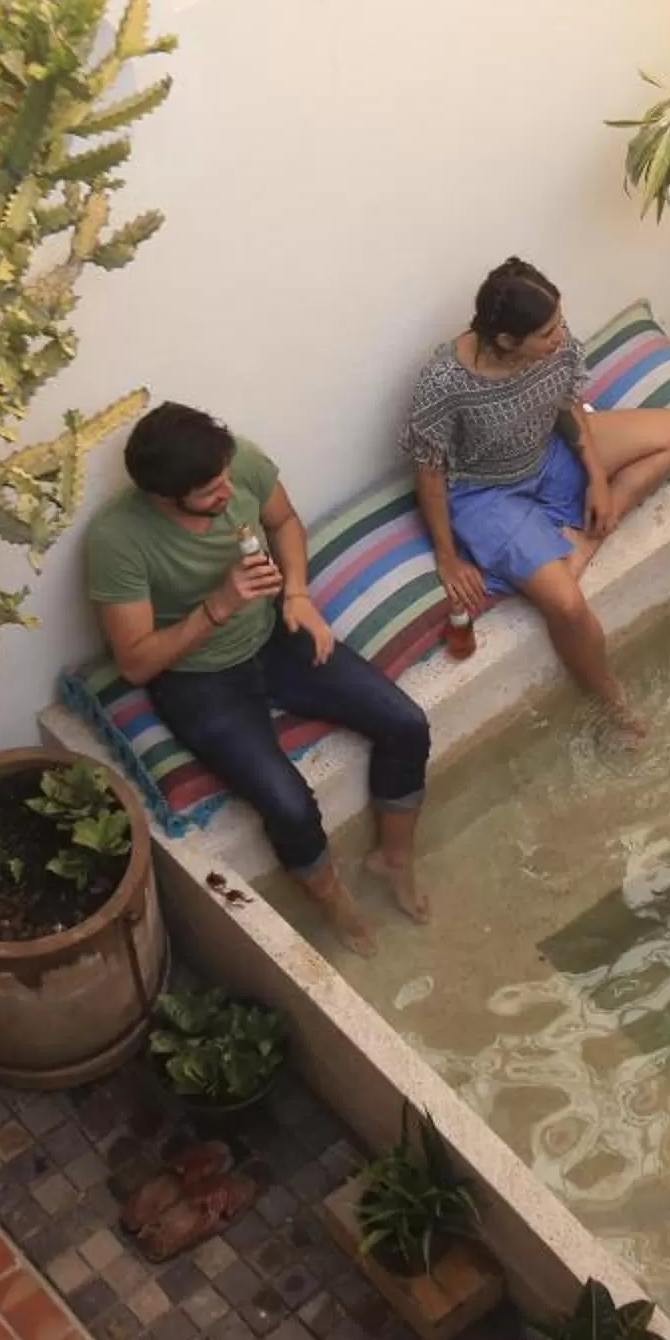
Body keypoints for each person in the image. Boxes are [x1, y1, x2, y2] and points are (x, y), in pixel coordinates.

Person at [86, 404, 430, 956]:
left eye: (225, 478)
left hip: (276, 632)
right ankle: (336, 903)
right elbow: (136, 664)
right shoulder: (117, 540)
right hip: (197, 677)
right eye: (209, 491)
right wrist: (218, 606)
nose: (226, 492)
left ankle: (392, 859)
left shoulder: (234, 460)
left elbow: (284, 522)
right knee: (288, 804)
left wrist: (296, 594)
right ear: (164, 496)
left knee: (406, 724)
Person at [402, 258, 670, 732]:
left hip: (548, 453)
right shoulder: (444, 383)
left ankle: (585, 539)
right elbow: (429, 472)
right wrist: (447, 558)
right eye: (547, 332)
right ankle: (613, 706)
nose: (560, 337)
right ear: (507, 342)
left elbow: (566, 402)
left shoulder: (553, 344)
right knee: (567, 605)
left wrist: (596, 476)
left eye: (559, 322)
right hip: (484, 493)